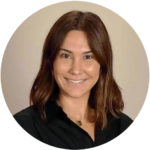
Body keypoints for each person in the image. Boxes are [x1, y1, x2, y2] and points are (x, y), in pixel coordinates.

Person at [12, 10, 134, 149]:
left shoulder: (124, 126)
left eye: (88, 57)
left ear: (102, 65)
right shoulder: (25, 126)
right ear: (51, 61)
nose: (76, 70)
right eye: (66, 56)